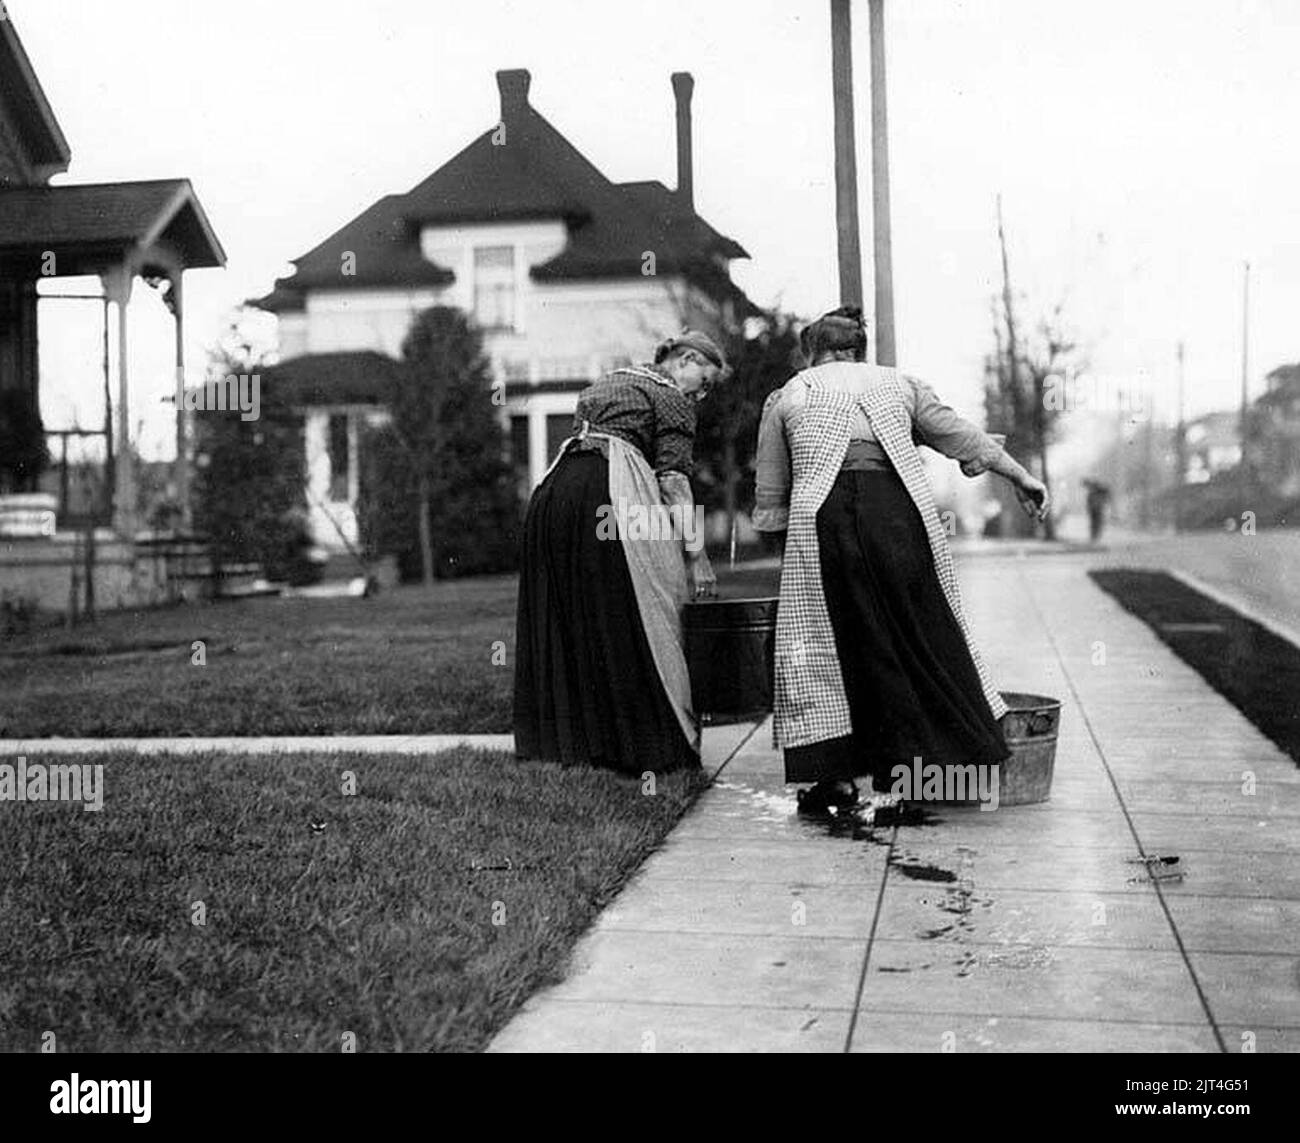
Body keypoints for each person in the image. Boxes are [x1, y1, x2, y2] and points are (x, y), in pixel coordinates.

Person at [752, 307, 1049, 813]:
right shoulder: (899, 384)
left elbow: (772, 493)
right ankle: (928, 774)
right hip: (896, 516)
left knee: (830, 644)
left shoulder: (790, 394)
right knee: (916, 632)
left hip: (825, 522)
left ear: (813, 351)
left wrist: (787, 556)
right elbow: (959, 435)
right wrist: (1021, 476)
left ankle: (836, 779)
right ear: (859, 351)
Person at [513, 330, 728, 776]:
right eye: (704, 381)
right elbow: (673, 481)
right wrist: (696, 555)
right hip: (610, 494)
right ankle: (650, 748)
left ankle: (572, 746)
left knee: (576, 615)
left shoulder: (611, 380)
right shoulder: (672, 398)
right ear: (686, 359)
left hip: (555, 497)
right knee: (646, 607)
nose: (702, 395)